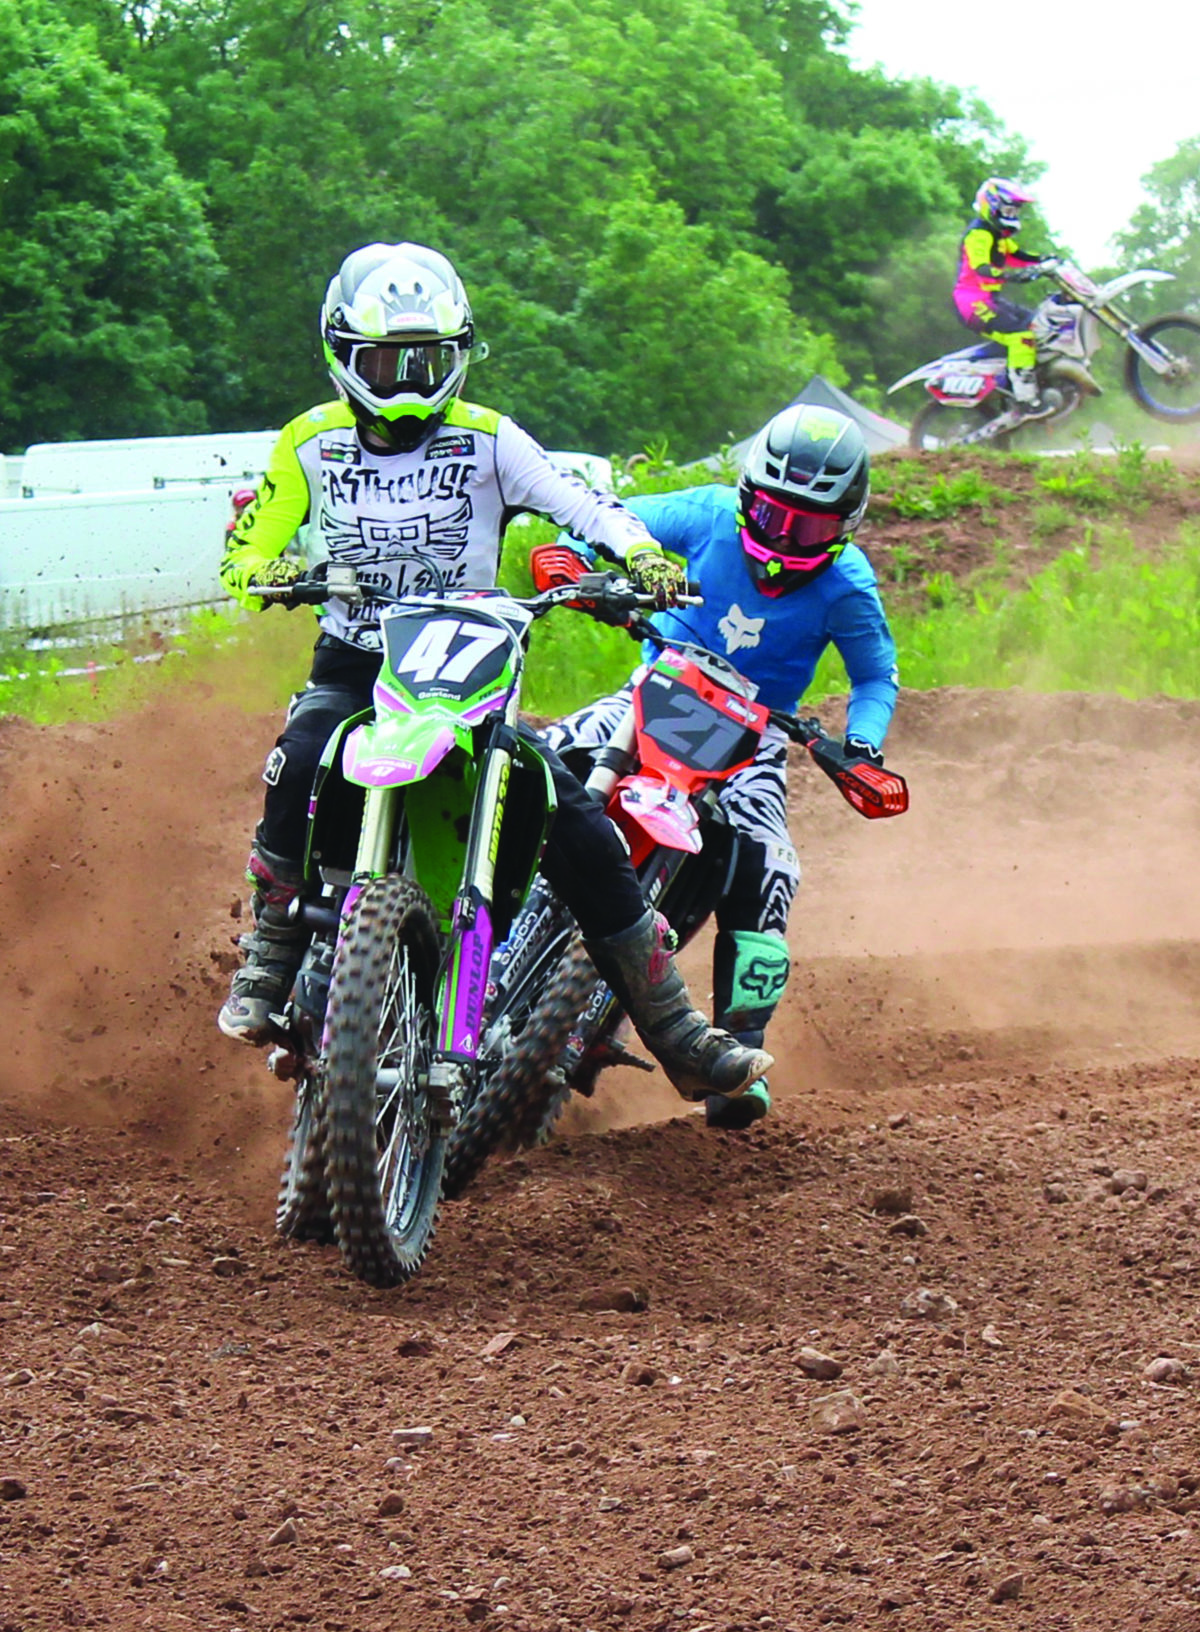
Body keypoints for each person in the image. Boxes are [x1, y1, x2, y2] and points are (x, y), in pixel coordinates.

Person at [216, 240, 769, 1107]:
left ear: (458, 354)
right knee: (299, 757)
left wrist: (641, 558)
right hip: (361, 659)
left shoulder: (490, 439)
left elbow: (583, 504)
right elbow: (259, 535)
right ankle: (271, 954)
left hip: (464, 661)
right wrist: (256, 567)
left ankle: (676, 1032)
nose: (404, 382)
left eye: (424, 362)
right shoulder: (309, 444)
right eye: (383, 362)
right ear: (340, 353)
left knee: (578, 825)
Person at [546, 404, 898, 1130]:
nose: (786, 539)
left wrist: (860, 744)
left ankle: (741, 1049)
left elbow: (874, 678)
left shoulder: (849, 588)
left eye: (812, 527)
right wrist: (576, 563)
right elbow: (607, 519)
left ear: (848, 523)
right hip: (656, 691)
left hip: (757, 735)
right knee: (536, 767)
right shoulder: (704, 515)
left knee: (770, 865)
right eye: (772, 515)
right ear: (745, 495)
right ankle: (449, 920)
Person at [953, 177, 1054, 421]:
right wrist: (1010, 276)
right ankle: (1025, 398)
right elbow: (981, 268)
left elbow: (1019, 255)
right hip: (972, 303)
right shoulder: (979, 234)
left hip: (989, 298)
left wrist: (1045, 260)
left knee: (1036, 323)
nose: (1012, 214)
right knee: (1021, 336)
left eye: (1015, 210)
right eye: (1008, 209)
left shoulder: (998, 236)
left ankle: (1018, 379)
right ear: (993, 205)